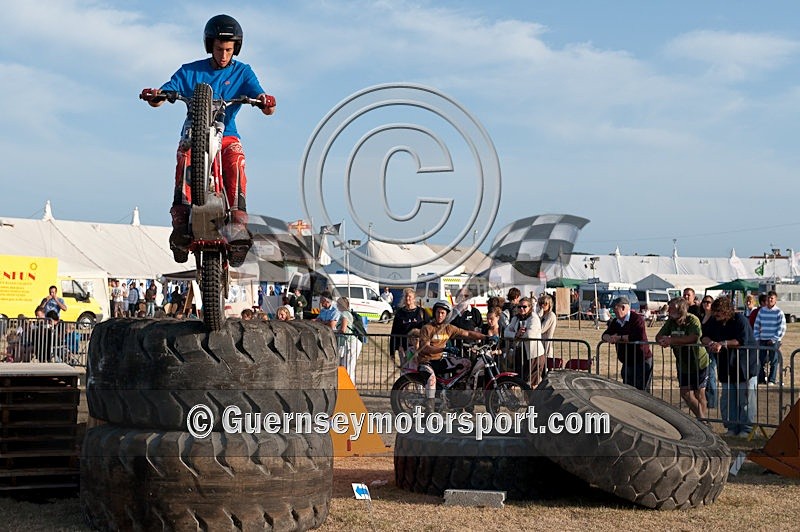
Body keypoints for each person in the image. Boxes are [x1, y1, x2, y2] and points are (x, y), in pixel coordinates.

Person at [141, 14, 276, 266]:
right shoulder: (190, 71)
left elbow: (263, 101)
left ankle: (237, 222)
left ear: (236, 48)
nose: (223, 55)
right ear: (209, 46)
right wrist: (156, 95)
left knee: (236, 157)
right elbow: (164, 94)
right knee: (184, 154)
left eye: (228, 49)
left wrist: (265, 101)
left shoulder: (243, 72)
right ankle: (180, 222)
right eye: (218, 49)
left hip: (227, 136)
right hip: (194, 134)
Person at [417, 300, 495, 413]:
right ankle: (429, 412)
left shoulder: (448, 328)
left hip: (439, 360)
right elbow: (425, 348)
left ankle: (456, 392)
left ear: (447, 315)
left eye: (443, 313)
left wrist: (486, 337)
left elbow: (468, 333)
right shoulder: (427, 328)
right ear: (434, 313)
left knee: (467, 363)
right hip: (426, 362)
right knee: (431, 380)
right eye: (438, 312)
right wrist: (444, 348)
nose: (440, 315)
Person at [701, 296, 759, 437]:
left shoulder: (740, 320)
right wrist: (710, 343)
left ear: (727, 310)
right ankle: (731, 427)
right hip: (726, 366)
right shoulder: (714, 321)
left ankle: (746, 428)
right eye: (715, 312)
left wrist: (723, 343)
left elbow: (741, 340)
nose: (716, 315)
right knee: (728, 398)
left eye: (719, 312)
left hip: (745, 366)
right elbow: (704, 336)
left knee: (745, 398)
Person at [656, 297, 709, 419]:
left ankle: (703, 422)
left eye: (672, 308)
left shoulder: (692, 319)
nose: (668, 310)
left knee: (699, 393)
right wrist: (662, 341)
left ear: (680, 309)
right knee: (685, 393)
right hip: (683, 363)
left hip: (698, 362)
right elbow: (659, 335)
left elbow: (693, 338)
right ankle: (702, 420)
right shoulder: (670, 321)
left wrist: (672, 340)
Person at [601, 296, 653, 392]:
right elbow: (604, 335)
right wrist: (609, 338)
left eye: (615, 308)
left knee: (642, 392)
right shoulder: (616, 322)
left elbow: (638, 337)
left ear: (623, 308)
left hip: (641, 360)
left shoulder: (637, 319)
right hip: (627, 361)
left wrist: (619, 338)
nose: (613, 311)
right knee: (628, 391)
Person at [504, 297, 545, 386]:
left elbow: (530, 334)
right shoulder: (516, 318)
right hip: (520, 354)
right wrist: (516, 334)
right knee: (520, 381)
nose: (521, 309)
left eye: (524, 307)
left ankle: (533, 400)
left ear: (530, 307)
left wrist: (517, 335)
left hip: (534, 355)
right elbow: (506, 332)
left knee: (532, 383)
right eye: (519, 307)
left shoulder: (533, 318)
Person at [754, 290, 786, 386]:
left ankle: (771, 380)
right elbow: (756, 325)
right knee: (759, 360)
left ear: (775, 300)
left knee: (774, 360)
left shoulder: (779, 312)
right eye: (769, 298)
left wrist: (774, 339)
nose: (770, 299)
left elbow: (782, 327)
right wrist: (756, 338)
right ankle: (761, 379)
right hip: (762, 339)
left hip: (774, 341)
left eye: (772, 298)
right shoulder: (761, 311)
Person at [389, 288, 428, 367]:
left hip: (418, 347)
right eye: (406, 296)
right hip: (403, 348)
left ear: (414, 298)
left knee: (419, 369)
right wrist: (392, 352)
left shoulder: (421, 312)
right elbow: (394, 332)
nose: (407, 298)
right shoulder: (400, 313)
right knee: (405, 370)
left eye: (410, 296)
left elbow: (428, 329)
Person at [336, 297, 363, 384]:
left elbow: (343, 329)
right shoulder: (347, 313)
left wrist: (334, 332)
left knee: (348, 367)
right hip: (349, 343)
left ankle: (349, 389)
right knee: (347, 367)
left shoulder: (345, 314)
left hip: (351, 343)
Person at [698, 295, 718, 410]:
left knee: (710, 375)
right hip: (703, 349)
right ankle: (706, 398)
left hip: (711, 349)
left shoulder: (714, 318)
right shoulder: (702, 317)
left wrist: (710, 342)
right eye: (704, 302)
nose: (706, 304)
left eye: (709, 302)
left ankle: (712, 401)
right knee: (705, 375)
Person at [538, 294, 557, 363]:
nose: (542, 305)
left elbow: (541, 329)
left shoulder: (551, 315)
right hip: (539, 344)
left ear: (549, 304)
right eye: (540, 303)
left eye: (545, 303)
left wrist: (538, 316)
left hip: (546, 344)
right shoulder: (542, 314)